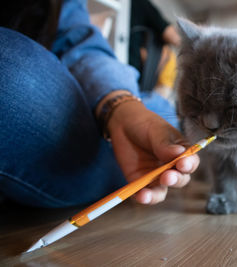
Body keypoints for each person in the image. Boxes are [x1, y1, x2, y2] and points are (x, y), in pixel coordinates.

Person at [0, 0, 199, 208]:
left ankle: (122, 129)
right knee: (12, 71)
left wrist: (121, 104)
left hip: (64, 93)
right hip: (28, 90)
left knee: (162, 112)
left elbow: (80, 42)